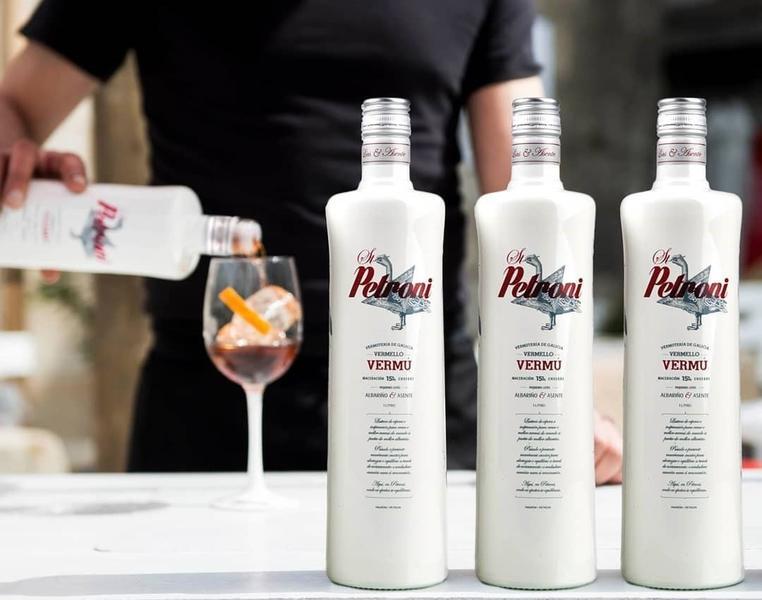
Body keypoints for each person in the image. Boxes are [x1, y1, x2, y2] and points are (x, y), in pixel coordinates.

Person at [0, 1, 622, 483]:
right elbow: (14, 105)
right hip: (214, 390)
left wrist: (558, 393)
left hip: (419, 384)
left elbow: (525, 198)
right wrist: (15, 160)